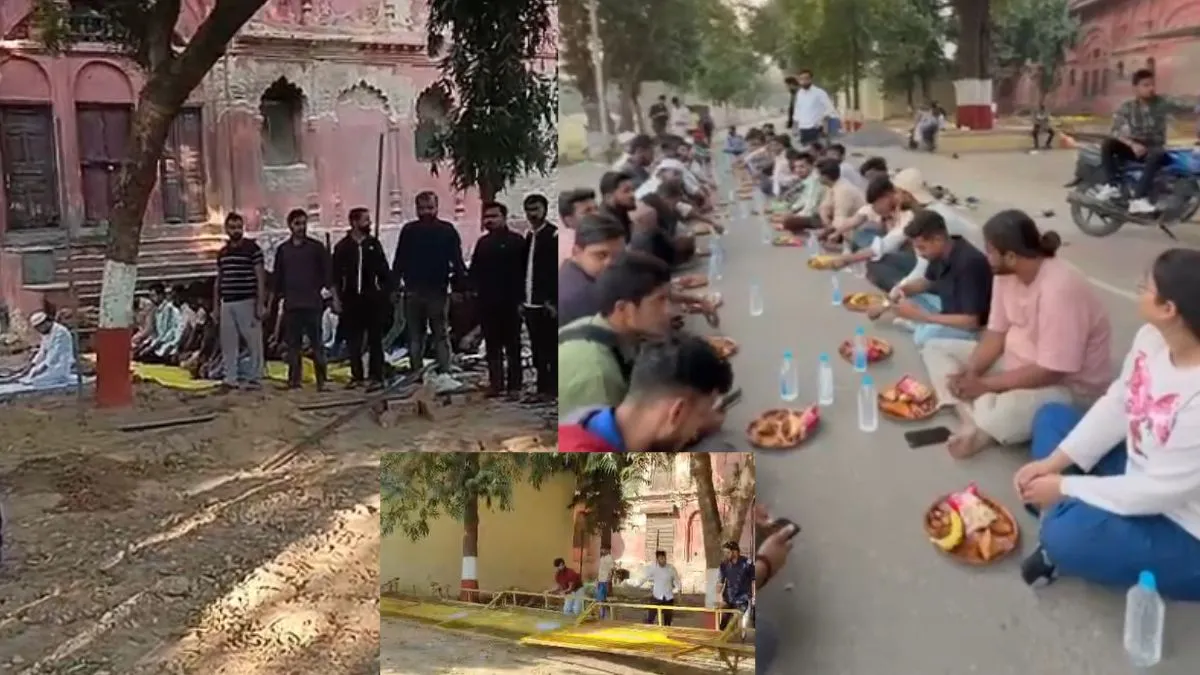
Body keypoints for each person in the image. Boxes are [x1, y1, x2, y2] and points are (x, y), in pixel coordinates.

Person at [1015, 248, 1200, 599]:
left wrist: (1065, 488)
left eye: (1144, 287)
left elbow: (1158, 492)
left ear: (1168, 309)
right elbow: (1120, 403)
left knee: (1066, 536)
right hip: (1139, 471)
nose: (1138, 291)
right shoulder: (1152, 338)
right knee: (1052, 416)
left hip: (1184, 524)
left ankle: (1060, 524)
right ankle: (1061, 510)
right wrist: (1052, 464)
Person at [920, 210, 1112, 458]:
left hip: (1064, 386)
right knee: (935, 348)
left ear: (1011, 256)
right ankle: (972, 420)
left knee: (1001, 413)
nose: (986, 257)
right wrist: (972, 371)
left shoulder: (1060, 288)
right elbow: (996, 332)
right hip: (1014, 363)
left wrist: (984, 385)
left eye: (990, 251)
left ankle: (978, 416)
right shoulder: (1005, 274)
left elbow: (1051, 370)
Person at [558, 333, 734, 452]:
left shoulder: (587, 417)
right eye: (701, 415)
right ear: (676, 413)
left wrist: (694, 424)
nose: (696, 430)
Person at [558, 252, 673, 416]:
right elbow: (602, 440)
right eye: (659, 301)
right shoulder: (599, 375)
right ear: (622, 309)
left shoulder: (590, 325)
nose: (670, 311)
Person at [867, 209, 993, 347]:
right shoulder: (941, 252)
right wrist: (889, 301)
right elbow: (926, 282)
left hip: (969, 326)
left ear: (938, 239)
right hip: (947, 308)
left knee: (922, 339)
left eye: (922, 248)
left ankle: (919, 326)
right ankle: (920, 325)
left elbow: (972, 321)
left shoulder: (969, 264)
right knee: (904, 293)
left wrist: (922, 317)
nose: (920, 254)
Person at [392, 191, 467, 375]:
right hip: (414, 291)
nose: (426, 212)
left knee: (438, 333)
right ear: (416, 209)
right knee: (418, 335)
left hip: (437, 291)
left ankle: (442, 371)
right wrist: (394, 287)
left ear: (437, 208)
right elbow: (399, 261)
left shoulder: (446, 231)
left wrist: (459, 288)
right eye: (422, 208)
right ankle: (422, 372)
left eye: (429, 208)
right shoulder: (409, 231)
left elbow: (457, 262)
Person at [274, 208, 336, 390]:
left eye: (303, 223)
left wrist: (334, 298)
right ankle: (294, 380)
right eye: (297, 224)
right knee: (293, 346)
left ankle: (322, 381)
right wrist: (274, 303)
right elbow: (278, 279)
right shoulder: (283, 251)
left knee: (317, 344)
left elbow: (328, 276)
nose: (301, 227)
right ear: (290, 226)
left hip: (312, 304)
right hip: (292, 305)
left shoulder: (316, 248)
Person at [469, 202, 526, 397]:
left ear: (504, 217)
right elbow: (475, 271)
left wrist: (521, 300)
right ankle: (496, 384)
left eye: (494, 216)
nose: (489, 220)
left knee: (513, 346)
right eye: (486, 217)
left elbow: (524, 273)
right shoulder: (482, 244)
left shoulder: (517, 242)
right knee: (492, 346)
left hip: (511, 303)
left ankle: (515, 386)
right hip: (487, 303)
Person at [332, 207, 392, 390]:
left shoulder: (374, 244)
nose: (369, 223)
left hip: (371, 299)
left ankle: (377, 376)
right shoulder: (342, 247)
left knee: (375, 340)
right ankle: (357, 376)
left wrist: (384, 292)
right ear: (354, 222)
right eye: (366, 220)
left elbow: (384, 272)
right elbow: (334, 276)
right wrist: (336, 299)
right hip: (350, 300)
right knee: (353, 340)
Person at [1095, 69, 1171, 214]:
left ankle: (1141, 196)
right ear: (1135, 88)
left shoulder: (1162, 103)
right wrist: (1132, 144)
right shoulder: (1128, 107)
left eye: (1152, 85)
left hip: (1154, 149)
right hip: (1135, 148)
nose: (1151, 88)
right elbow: (1115, 130)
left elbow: (1184, 105)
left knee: (1158, 153)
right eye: (1146, 85)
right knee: (1108, 143)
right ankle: (1114, 187)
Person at [214, 212, 266, 390]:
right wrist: (216, 305)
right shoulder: (223, 253)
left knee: (253, 341)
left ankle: (256, 377)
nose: (236, 231)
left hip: (247, 301)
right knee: (228, 342)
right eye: (232, 227)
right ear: (227, 229)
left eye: (238, 227)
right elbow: (219, 279)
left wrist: (260, 303)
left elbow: (260, 277)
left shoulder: (253, 249)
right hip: (227, 302)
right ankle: (231, 378)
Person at [559, 215, 627, 326]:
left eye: (618, 256)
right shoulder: (584, 296)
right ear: (576, 252)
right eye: (601, 255)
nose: (610, 263)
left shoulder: (569, 271)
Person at [522, 193, 558, 401]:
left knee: (550, 347)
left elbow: (555, 273)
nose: (532, 214)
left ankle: (552, 389)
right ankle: (542, 388)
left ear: (545, 210)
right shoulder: (529, 237)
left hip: (547, 304)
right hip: (530, 303)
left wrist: (552, 300)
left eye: (536, 209)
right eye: (529, 210)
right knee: (537, 349)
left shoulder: (554, 237)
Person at [15, 311, 75, 388]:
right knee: (30, 376)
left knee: (37, 381)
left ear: (45, 323)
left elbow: (54, 354)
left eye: (39, 327)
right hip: (48, 365)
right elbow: (42, 351)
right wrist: (33, 364)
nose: (38, 330)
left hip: (60, 365)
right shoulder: (46, 333)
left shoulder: (61, 332)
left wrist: (42, 368)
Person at [136, 283, 185, 363]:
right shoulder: (157, 310)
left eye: (153, 295)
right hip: (159, 344)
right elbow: (155, 333)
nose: (151, 299)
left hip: (168, 345)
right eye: (150, 296)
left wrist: (153, 346)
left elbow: (170, 332)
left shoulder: (170, 309)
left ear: (161, 295)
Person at [814, 159, 866, 235]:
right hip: (843, 223)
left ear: (825, 177)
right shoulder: (831, 186)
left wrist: (829, 230)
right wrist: (827, 224)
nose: (816, 177)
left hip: (858, 226)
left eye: (817, 174)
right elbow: (824, 208)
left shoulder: (843, 190)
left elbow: (840, 219)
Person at [780, 152, 826, 232]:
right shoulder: (808, 179)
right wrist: (791, 210)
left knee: (788, 221)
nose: (797, 170)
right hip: (810, 214)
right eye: (796, 167)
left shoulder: (815, 181)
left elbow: (810, 207)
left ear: (811, 166)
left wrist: (794, 216)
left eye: (802, 167)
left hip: (819, 218)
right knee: (785, 214)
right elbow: (802, 200)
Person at [787, 70, 835, 146]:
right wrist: (795, 126)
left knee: (819, 152)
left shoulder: (819, 92)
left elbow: (830, 108)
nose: (804, 81)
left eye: (806, 78)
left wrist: (823, 121)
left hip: (817, 128)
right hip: (803, 129)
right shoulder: (799, 94)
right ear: (799, 81)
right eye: (801, 79)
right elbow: (797, 111)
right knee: (806, 153)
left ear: (811, 79)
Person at [635, 550, 680, 626]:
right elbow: (644, 577)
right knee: (651, 617)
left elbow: (676, 580)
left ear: (665, 558)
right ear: (657, 559)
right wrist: (637, 584)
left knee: (668, 619)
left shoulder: (671, 568)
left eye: (663, 558)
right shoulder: (653, 568)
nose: (662, 560)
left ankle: (666, 631)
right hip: (656, 596)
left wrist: (679, 592)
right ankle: (648, 628)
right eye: (660, 559)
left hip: (668, 597)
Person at [717, 541, 754, 632]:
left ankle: (738, 640)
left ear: (735, 552)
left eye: (728, 552)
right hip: (728, 598)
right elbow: (720, 582)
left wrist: (754, 597)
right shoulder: (724, 565)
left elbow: (754, 580)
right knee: (723, 624)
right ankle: (722, 643)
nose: (726, 555)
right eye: (724, 552)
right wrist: (719, 599)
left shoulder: (747, 564)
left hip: (742, 598)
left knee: (735, 622)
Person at [558, 187, 597, 265]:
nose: (596, 214)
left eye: (596, 209)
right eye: (587, 211)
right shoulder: (566, 251)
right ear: (569, 220)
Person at [598, 171, 637, 241]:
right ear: (608, 197)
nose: (632, 194)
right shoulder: (607, 224)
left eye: (633, 190)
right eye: (626, 191)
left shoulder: (621, 209)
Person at [596, 545, 615, 619]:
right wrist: (597, 579)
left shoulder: (609, 558)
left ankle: (603, 615)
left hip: (605, 581)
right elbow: (600, 570)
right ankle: (601, 614)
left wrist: (609, 580)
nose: (602, 551)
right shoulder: (602, 558)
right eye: (601, 549)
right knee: (600, 599)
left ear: (607, 550)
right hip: (600, 580)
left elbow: (611, 570)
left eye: (603, 549)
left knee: (602, 599)